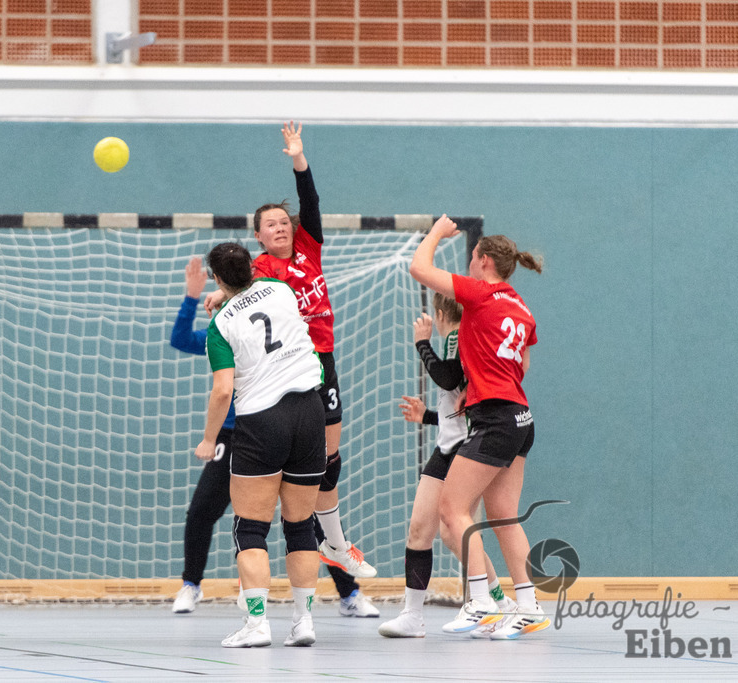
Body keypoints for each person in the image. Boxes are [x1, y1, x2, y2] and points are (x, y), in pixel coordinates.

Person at [206, 121, 375, 581]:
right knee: (306, 463)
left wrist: (299, 160)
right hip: (290, 372)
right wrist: (219, 297)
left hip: (324, 357)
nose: (280, 228)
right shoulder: (259, 270)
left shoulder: (308, 246)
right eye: (270, 225)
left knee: (331, 460)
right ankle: (318, 550)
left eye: (283, 222)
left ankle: (335, 545)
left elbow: (311, 203)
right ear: (258, 236)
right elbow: (241, 294)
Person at [172, 257, 378, 618]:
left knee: (304, 518)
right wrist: (192, 297)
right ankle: (191, 584)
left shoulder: (255, 321)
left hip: (271, 426)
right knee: (205, 510)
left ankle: (348, 593)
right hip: (239, 434)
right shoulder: (223, 331)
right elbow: (182, 339)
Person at [408, 216, 549, 640]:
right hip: (522, 417)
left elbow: (420, 268)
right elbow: (522, 365)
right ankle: (528, 605)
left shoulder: (481, 293)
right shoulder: (522, 307)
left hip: (494, 418)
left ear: (484, 261)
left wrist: (435, 233)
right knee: (504, 516)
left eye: (471, 259)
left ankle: (481, 601)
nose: (468, 266)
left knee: (453, 509)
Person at [196, 242, 326, 648]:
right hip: (310, 409)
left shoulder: (220, 327)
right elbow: (262, 288)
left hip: (261, 420)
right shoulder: (281, 289)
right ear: (252, 267)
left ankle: (256, 625)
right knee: (300, 525)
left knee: (250, 527)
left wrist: (208, 439)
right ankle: (303, 622)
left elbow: (222, 391)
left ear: (216, 279)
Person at [378, 294, 513, 639]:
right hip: (448, 445)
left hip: (467, 448)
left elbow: (447, 377)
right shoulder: (463, 339)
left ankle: (494, 603)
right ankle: (414, 615)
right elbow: (457, 404)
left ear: (440, 315)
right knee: (426, 530)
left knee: (453, 531)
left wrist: (422, 344)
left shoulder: (456, 335)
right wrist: (427, 416)